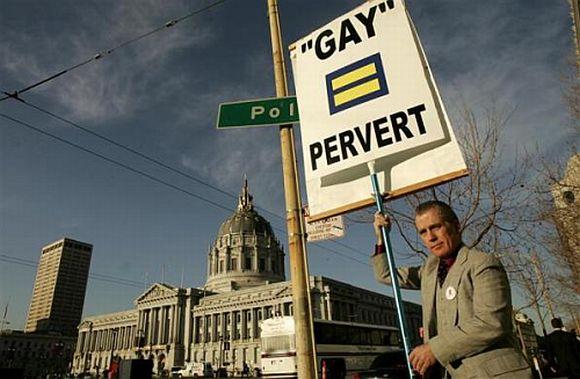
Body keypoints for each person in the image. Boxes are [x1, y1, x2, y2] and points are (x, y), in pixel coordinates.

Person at [372, 200, 532, 378]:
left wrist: (434, 349)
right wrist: (382, 238)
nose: (430, 237)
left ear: (456, 225)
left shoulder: (482, 263)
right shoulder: (428, 272)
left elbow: (492, 323)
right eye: (423, 232)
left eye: (436, 227)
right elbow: (385, 275)